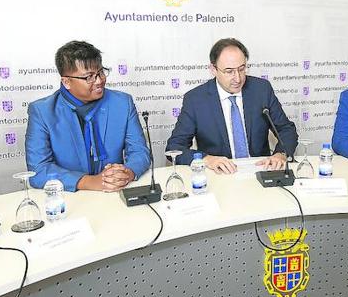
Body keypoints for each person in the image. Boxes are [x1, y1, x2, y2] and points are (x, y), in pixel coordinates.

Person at [25, 40, 150, 192]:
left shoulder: (122, 103)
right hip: (69, 198)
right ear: (66, 82)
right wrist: (89, 182)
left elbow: (140, 152)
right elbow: (38, 170)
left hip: (114, 193)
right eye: (89, 77)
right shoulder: (42, 112)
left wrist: (127, 173)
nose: (99, 81)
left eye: (101, 72)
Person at [166, 38, 298, 173]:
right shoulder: (196, 100)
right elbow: (175, 147)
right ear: (213, 69)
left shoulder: (261, 90)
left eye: (241, 69)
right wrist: (207, 159)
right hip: (220, 176)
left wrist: (280, 154)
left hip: (260, 170)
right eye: (229, 71)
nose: (238, 78)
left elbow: (286, 129)